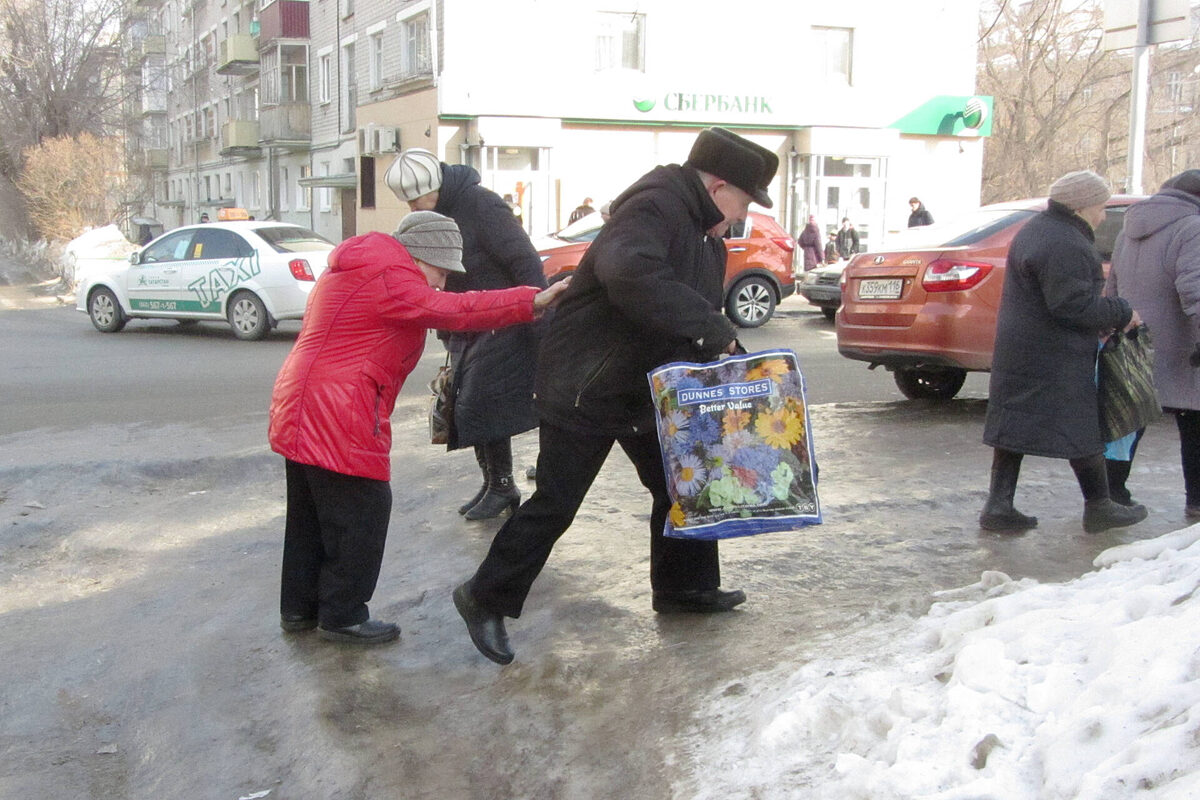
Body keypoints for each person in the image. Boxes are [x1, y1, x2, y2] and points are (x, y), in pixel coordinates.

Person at [452, 126, 778, 665]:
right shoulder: (655, 207)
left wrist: (720, 357)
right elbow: (629, 274)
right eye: (743, 203)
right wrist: (712, 329)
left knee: (681, 486)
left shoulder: (704, 234)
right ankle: (483, 597)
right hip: (588, 384)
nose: (740, 217)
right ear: (718, 187)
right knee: (557, 501)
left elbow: (686, 312)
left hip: (645, 389)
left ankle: (684, 588)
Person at [268, 212, 567, 645]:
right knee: (364, 509)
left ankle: (299, 609)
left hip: (300, 399)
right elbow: (457, 310)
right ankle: (342, 614)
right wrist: (532, 302)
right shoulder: (392, 277)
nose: (442, 283)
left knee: (310, 513)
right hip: (340, 406)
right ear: (421, 256)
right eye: (441, 271)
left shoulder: (358, 266)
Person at [386, 149, 549, 521]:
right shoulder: (437, 214)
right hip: (467, 323)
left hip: (504, 319)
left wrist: (538, 314)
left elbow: (524, 260)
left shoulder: (481, 204)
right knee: (467, 406)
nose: (413, 206)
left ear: (436, 185)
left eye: (417, 197)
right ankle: (493, 482)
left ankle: (503, 484)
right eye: (408, 201)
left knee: (483, 403)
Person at [980, 170, 1146, 534]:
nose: (1103, 215)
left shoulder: (1037, 230)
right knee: (1080, 426)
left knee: (1014, 423)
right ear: (1081, 206)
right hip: (1055, 355)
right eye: (1100, 206)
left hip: (1023, 349)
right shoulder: (1066, 242)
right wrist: (1122, 312)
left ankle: (999, 505)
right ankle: (1099, 507)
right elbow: (1072, 306)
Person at [1105, 169, 1200, 518]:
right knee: (1194, 422)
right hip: (1183, 345)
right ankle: (1197, 501)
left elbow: (1112, 289)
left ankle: (1111, 493)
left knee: (1128, 421)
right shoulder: (1193, 228)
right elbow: (1195, 290)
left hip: (1133, 339)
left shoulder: (1127, 230)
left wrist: (1109, 331)